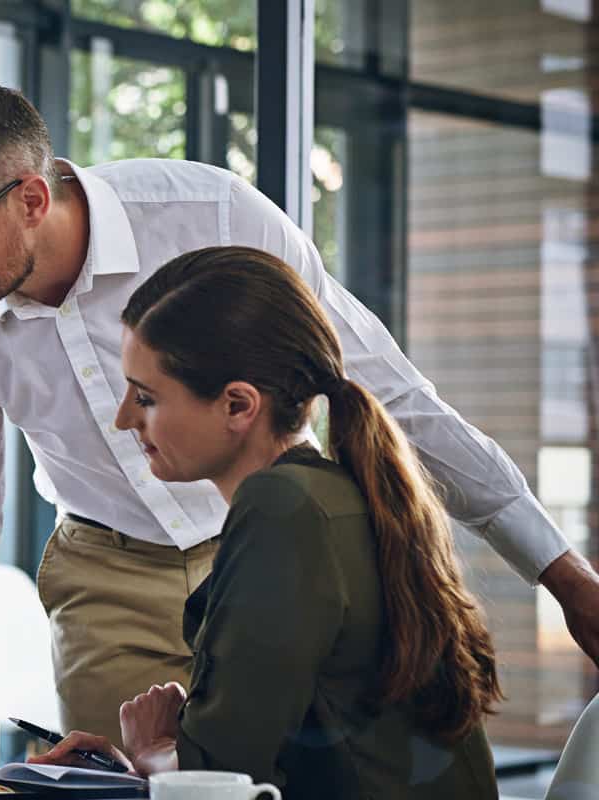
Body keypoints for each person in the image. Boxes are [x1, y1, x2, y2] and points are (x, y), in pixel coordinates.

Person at [0, 80, 599, 759]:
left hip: (277, 551)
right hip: (109, 576)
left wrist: (563, 575)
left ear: (30, 198)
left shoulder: (209, 217)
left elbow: (390, 391)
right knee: (124, 781)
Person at [27, 246, 500, 798]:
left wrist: (154, 753)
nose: (124, 417)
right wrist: (157, 754)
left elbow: (229, 780)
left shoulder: (282, 510)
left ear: (237, 406)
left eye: (147, 397)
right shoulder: (330, 493)